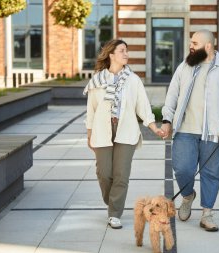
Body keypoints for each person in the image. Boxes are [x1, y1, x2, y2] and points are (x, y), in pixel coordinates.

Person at [161, 29, 219, 232]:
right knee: (182, 169)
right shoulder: (184, 67)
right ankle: (188, 196)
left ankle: (207, 214)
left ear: (208, 46)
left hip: (214, 132)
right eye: (191, 42)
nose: (190, 46)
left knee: (211, 174)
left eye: (195, 42)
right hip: (185, 130)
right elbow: (172, 94)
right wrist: (167, 119)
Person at [84, 39, 164, 229]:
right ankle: (113, 201)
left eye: (126, 51)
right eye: (122, 51)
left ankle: (114, 213)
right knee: (104, 173)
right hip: (102, 130)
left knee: (121, 174)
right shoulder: (97, 80)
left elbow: (143, 107)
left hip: (126, 130)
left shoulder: (133, 80)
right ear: (111, 55)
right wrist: (89, 134)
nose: (126, 54)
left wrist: (154, 128)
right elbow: (91, 109)